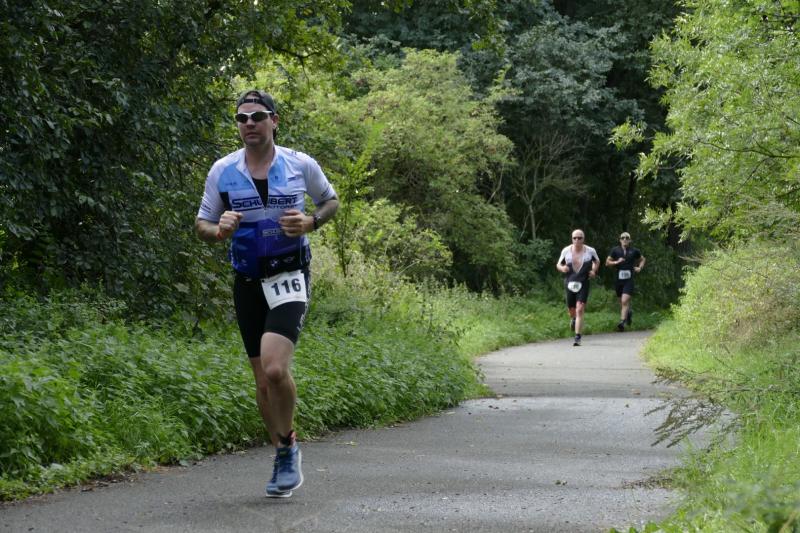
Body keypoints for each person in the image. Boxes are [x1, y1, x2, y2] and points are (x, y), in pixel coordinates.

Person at [195, 90, 339, 498]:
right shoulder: (223, 171)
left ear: (274, 120)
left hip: (289, 274)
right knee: (262, 381)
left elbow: (330, 202)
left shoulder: (299, 164)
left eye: (257, 116)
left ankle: (288, 447)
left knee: (275, 369)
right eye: (242, 118)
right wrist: (219, 230)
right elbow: (202, 224)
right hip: (247, 280)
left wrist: (311, 222)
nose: (249, 124)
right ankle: (282, 451)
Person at [556, 229, 600, 346]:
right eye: (574, 238)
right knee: (572, 310)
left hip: (583, 282)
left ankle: (577, 337)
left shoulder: (590, 251)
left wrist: (593, 271)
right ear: (572, 239)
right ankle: (573, 319)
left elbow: (597, 261)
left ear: (583, 239)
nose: (577, 240)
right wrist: (562, 268)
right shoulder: (566, 250)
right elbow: (558, 264)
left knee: (580, 309)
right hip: (569, 283)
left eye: (579, 238)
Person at [605, 232, 645, 332]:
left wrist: (639, 268)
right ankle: (628, 313)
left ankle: (622, 322)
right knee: (621, 302)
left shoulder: (634, 251)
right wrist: (616, 262)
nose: (625, 239)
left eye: (627, 238)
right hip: (618, 280)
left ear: (630, 240)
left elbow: (642, 259)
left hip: (629, 280)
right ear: (620, 240)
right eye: (623, 238)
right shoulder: (615, 250)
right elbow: (607, 263)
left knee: (624, 301)